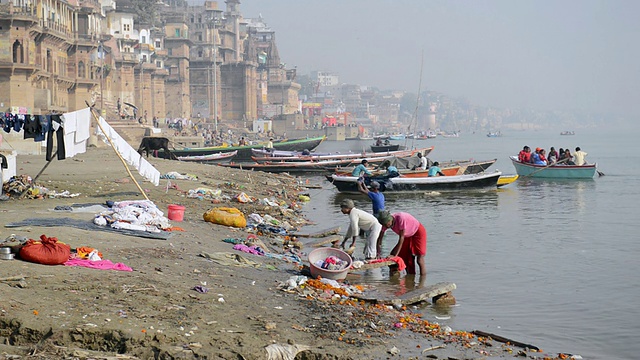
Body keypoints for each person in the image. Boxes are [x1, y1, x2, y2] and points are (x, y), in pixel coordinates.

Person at [376, 210, 427, 275]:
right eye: (385, 225)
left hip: (417, 231)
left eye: (388, 224)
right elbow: (380, 239)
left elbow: (401, 238)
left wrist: (395, 256)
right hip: (407, 235)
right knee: (402, 257)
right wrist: (378, 254)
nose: (387, 226)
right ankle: (410, 277)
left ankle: (422, 281)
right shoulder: (385, 224)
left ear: (390, 219)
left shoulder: (400, 218)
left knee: (419, 259)